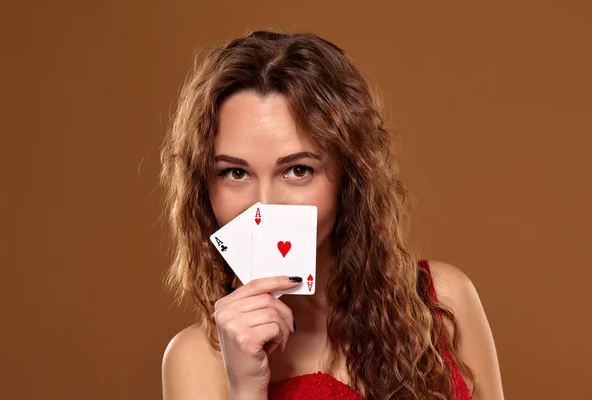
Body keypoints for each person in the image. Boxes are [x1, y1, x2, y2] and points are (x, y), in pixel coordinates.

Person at [159, 30, 504, 400]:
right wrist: (245, 387)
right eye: (235, 173)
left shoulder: (443, 302)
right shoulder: (195, 359)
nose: (265, 206)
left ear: (348, 176)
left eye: (297, 170)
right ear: (203, 188)